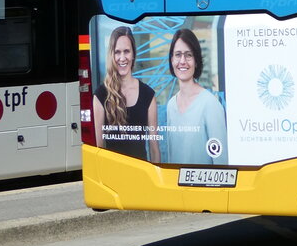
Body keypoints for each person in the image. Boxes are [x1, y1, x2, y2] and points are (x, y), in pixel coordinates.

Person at [93, 26, 160, 162]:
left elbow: (154, 147)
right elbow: (98, 148)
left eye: (126, 51)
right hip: (113, 175)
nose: (122, 58)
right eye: (117, 52)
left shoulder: (148, 95)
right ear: (111, 55)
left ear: (133, 54)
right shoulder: (100, 96)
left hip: (141, 174)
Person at [163, 29, 227, 165]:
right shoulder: (170, 106)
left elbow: (221, 162)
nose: (182, 61)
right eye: (178, 55)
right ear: (171, 60)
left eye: (188, 55)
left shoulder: (210, 104)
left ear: (196, 61)